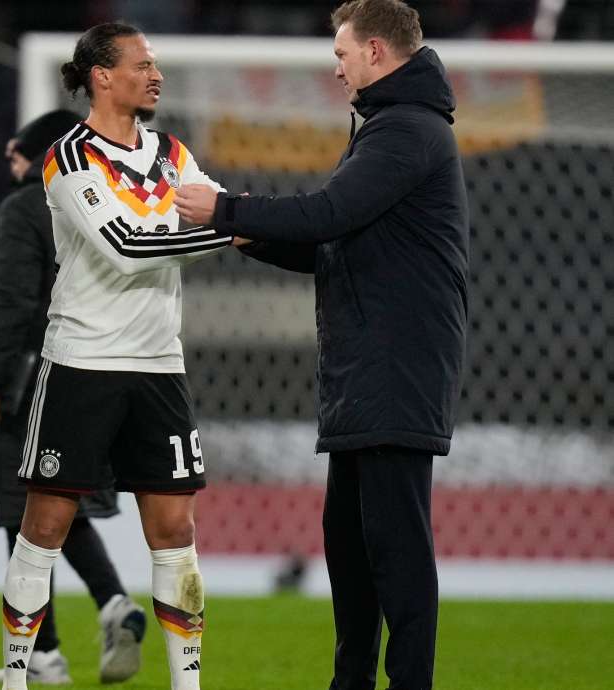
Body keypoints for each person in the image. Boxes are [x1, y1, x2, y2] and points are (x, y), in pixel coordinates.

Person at [173, 2, 469, 689]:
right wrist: (250, 235)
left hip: (397, 366)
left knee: (394, 545)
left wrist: (226, 210)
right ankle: (351, 680)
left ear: (374, 51)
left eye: (340, 55)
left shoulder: (407, 131)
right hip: (365, 367)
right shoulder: (388, 130)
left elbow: (329, 215)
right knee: (351, 542)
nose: (334, 69)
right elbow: (335, 246)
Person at [0, 22, 237, 690]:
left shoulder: (172, 151)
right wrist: (226, 225)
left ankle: (186, 684)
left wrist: (224, 218)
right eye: (142, 65)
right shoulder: (69, 157)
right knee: (43, 525)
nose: (156, 75)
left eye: (156, 65)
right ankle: (19, 677)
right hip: (82, 360)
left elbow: (213, 210)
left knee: (175, 527)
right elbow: (127, 247)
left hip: (160, 364)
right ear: (102, 76)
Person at [0, 109, 146, 686]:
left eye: (17, 155)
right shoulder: (109, 200)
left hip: (34, 379)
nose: (11, 167)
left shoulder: (27, 207)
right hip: (104, 371)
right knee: (59, 504)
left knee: (22, 509)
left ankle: (53, 646)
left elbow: (12, 303)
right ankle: (91, 620)